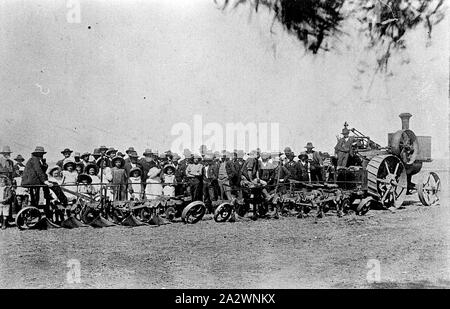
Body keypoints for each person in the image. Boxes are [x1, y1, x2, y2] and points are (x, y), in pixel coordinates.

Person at [22, 146, 52, 216]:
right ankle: (35, 209)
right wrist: (45, 181)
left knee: (36, 196)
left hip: (34, 180)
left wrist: (44, 164)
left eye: (42, 154)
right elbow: (39, 171)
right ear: (36, 154)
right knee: (35, 195)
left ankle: (37, 208)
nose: (41, 155)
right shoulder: (34, 159)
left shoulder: (38, 160)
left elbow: (42, 171)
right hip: (32, 181)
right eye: (39, 153)